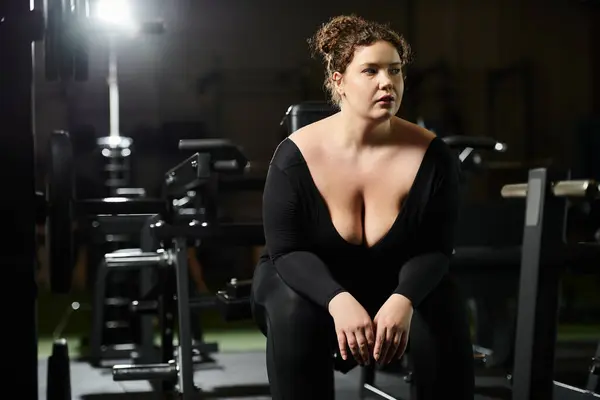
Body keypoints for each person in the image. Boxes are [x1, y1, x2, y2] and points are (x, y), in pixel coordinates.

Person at [251, 15, 474, 399]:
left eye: (395, 70)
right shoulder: (295, 157)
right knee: (294, 310)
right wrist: (337, 301)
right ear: (338, 80)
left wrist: (402, 299)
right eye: (370, 71)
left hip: (392, 279)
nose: (387, 82)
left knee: (442, 302)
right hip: (304, 278)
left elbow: (436, 249)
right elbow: (287, 251)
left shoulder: (434, 156)